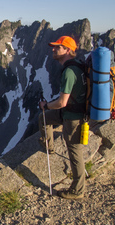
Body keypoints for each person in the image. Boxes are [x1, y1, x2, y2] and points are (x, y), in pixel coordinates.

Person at [38, 36, 86, 200]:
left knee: (75, 153)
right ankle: (48, 147)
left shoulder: (69, 72)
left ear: (67, 50)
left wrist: (46, 106)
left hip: (73, 117)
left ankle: (78, 190)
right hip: (72, 112)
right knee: (43, 119)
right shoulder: (78, 65)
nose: (53, 49)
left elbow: (62, 102)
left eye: (58, 47)